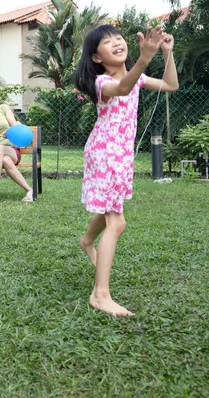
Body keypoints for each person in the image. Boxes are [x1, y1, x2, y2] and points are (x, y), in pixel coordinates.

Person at [75, 24, 178, 316]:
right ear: (96, 57)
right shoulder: (101, 82)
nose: (117, 43)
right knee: (117, 222)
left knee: (110, 208)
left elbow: (171, 86)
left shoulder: (139, 77)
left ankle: (87, 241)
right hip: (104, 154)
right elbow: (122, 88)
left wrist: (167, 54)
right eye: (107, 42)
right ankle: (100, 295)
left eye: (118, 38)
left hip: (121, 156)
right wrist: (145, 58)